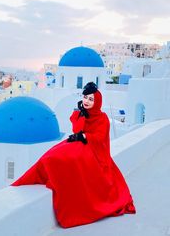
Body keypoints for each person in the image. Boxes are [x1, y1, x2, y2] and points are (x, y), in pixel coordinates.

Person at [11, 82, 136, 228]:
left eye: (91, 99)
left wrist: (84, 136)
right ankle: (37, 177)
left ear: (97, 102)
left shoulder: (102, 118)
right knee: (51, 156)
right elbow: (77, 128)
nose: (87, 101)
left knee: (64, 159)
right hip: (79, 144)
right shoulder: (80, 113)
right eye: (85, 98)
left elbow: (100, 138)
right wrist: (81, 115)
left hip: (94, 151)